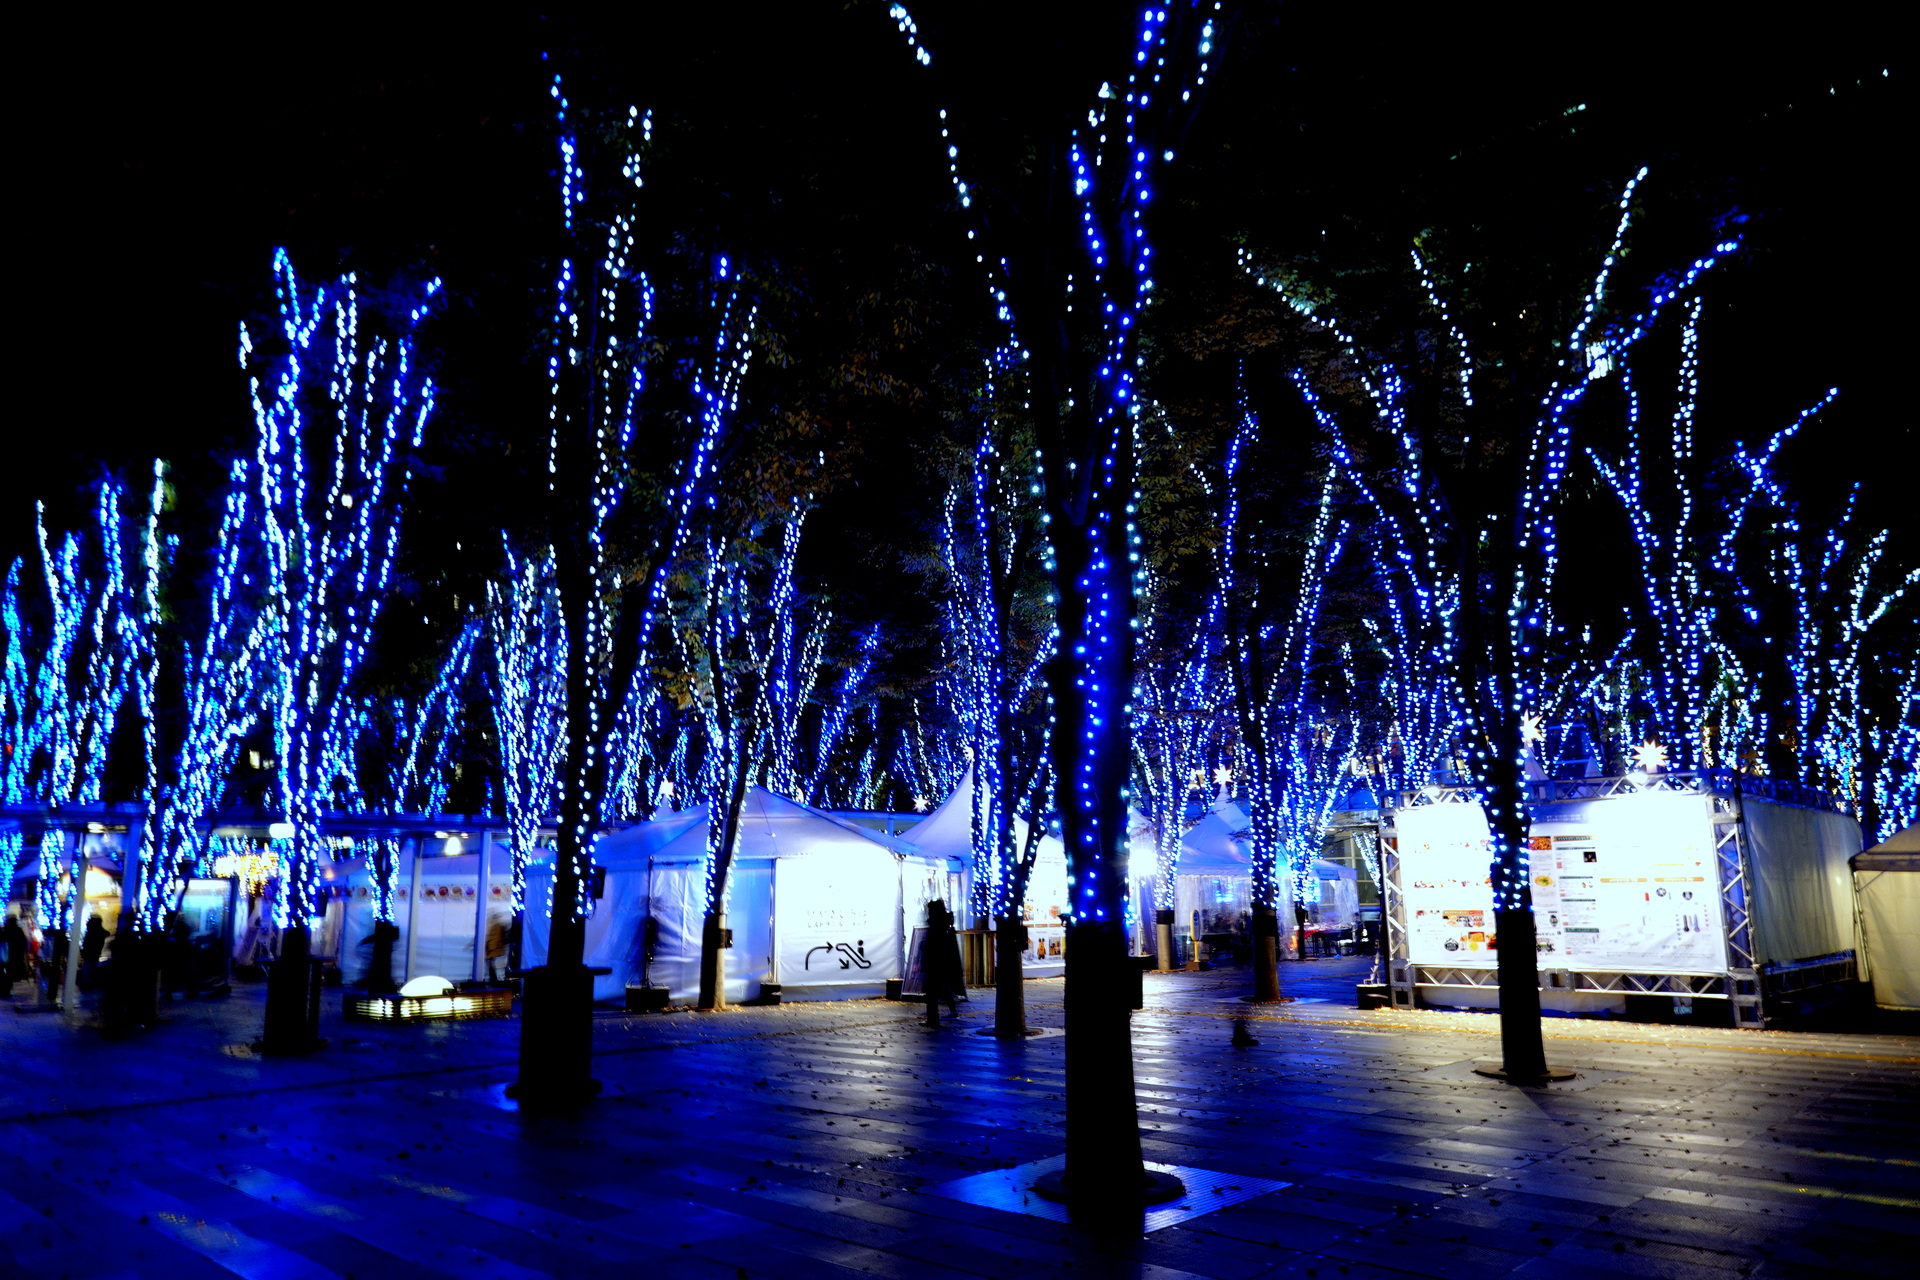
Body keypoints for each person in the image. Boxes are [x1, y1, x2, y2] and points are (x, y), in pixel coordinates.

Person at [920, 900, 966, 1024]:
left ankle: (933, 1018)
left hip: (936, 963)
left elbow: (933, 946)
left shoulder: (936, 925)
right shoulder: (945, 924)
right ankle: (947, 1012)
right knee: (944, 988)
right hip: (944, 962)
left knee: (932, 992)